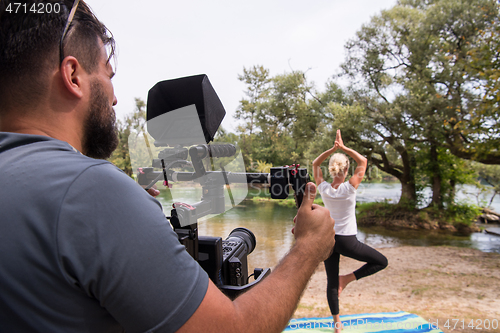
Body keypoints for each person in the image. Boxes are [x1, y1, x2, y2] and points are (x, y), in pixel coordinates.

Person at [0, 1, 336, 332]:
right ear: (73, 75)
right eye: (107, 74)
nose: (115, 98)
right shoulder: (90, 192)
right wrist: (308, 248)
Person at [312, 130, 388, 332]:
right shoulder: (350, 187)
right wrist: (343, 148)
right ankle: (346, 279)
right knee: (381, 261)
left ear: (331, 170)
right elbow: (362, 161)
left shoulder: (324, 188)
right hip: (347, 242)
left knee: (331, 281)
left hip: (328, 241)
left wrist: (331, 149)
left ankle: (337, 325)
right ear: (346, 170)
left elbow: (314, 164)